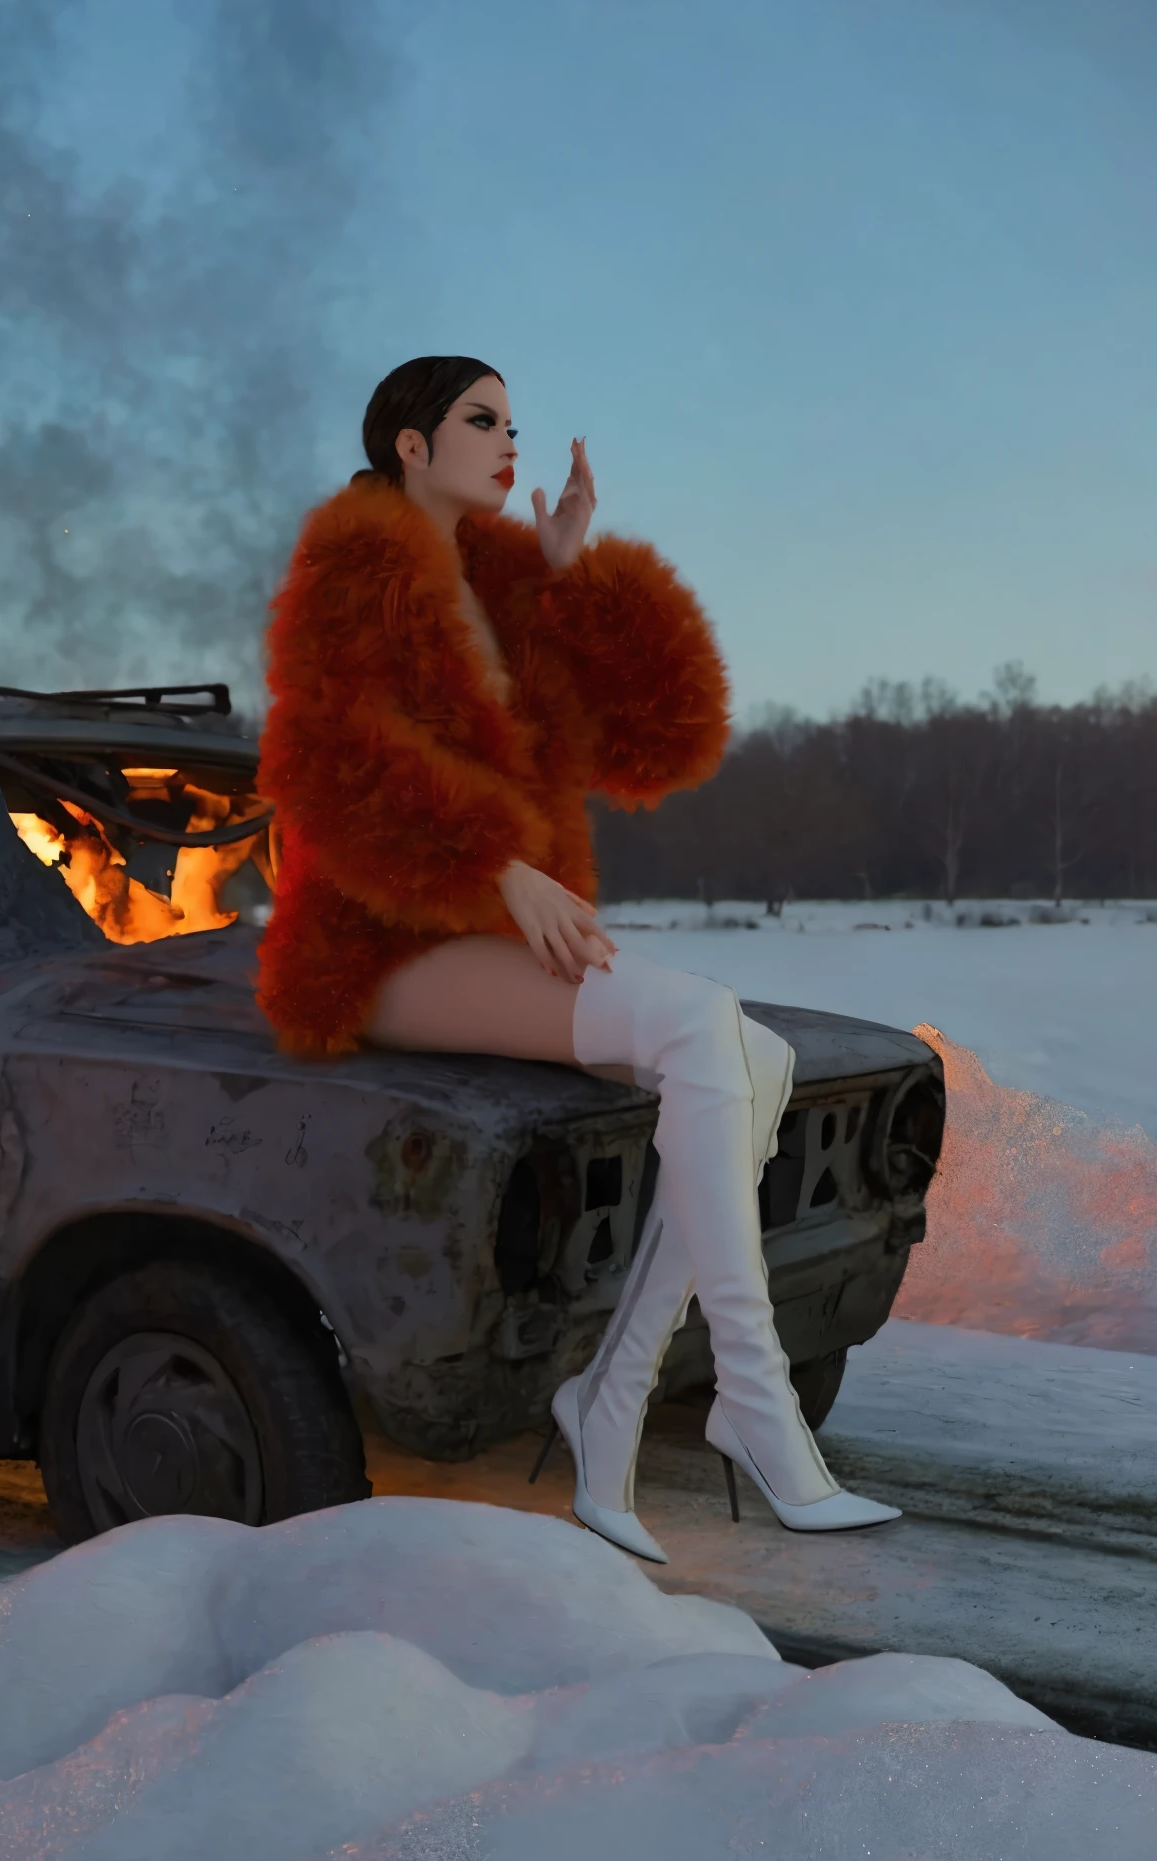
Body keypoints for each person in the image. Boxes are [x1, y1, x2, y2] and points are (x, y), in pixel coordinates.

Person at [255, 355, 899, 1563]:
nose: (510, 443)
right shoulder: (354, 571)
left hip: (495, 928)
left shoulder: (496, 582)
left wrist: (571, 577)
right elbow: (324, 758)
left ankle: (609, 1410)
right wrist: (493, 862)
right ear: (408, 444)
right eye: (481, 420)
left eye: (514, 422)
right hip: (386, 937)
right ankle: (752, 1407)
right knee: (701, 1027)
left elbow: (663, 741)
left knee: (749, 1058)